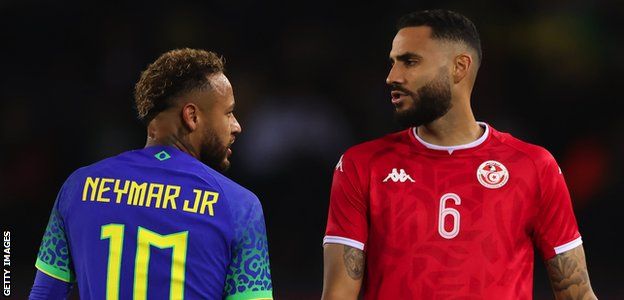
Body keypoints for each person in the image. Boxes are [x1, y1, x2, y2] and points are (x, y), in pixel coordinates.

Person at [322, 10, 597, 300]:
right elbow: (338, 295)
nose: (392, 77)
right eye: (393, 63)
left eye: (410, 62)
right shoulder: (361, 165)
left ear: (459, 67)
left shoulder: (533, 166)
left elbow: (577, 294)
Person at [29, 49, 273, 299]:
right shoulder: (239, 206)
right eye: (228, 113)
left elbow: (44, 294)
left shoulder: (78, 187)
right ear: (192, 116)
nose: (236, 126)